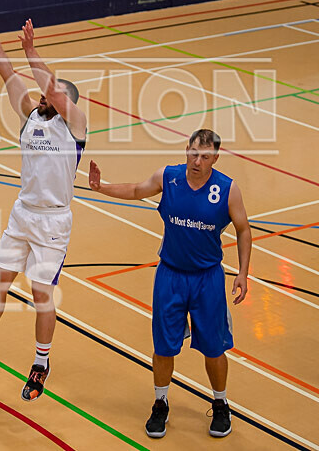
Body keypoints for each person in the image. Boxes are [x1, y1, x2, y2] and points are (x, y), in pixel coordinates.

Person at [0, 18, 87, 402]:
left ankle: (41, 364)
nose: (44, 96)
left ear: (66, 102)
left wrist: (31, 51)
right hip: (22, 213)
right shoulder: (31, 116)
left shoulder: (75, 124)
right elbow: (9, 76)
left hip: (53, 222)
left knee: (42, 294)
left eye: (53, 94)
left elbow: (48, 86)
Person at [88, 128, 250, 439]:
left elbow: (243, 229)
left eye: (204, 156)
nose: (196, 160)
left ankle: (220, 404)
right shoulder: (169, 177)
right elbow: (137, 189)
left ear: (215, 157)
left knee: (214, 349)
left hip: (208, 279)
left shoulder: (228, 189)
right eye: (192, 153)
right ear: (186, 150)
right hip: (171, 276)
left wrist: (242, 273)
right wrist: (100, 187)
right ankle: (160, 403)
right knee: (164, 346)